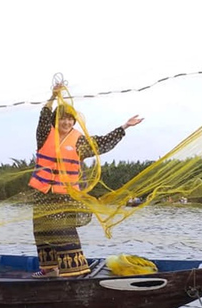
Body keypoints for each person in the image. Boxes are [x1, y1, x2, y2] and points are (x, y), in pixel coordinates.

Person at [29, 82, 143, 278]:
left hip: (65, 195)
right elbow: (43, 116)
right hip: (42, 193)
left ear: (74, 121)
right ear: (56, 120)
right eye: (62, 119)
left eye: (69, 120)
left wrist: (124, 126)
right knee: (42, 231)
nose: (66, 123)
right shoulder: (45, 134)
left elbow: (103, 143)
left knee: (63, 230)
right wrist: (53, 96)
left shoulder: (80, 141)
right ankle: (50, 269)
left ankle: (74, 270)